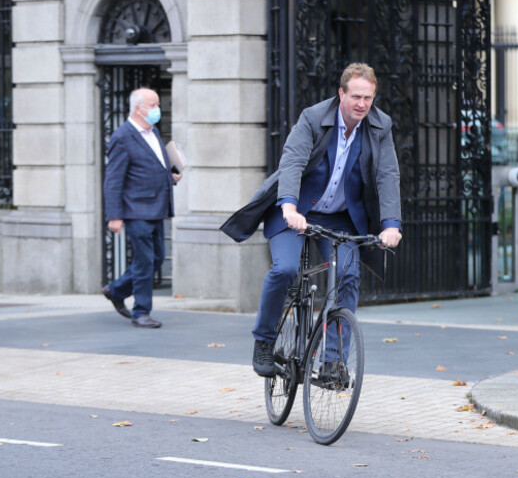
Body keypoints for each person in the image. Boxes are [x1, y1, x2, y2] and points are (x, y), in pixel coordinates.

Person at [221, 63, 402, 376]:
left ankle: (333, 361)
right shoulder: (314, 118)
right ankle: (264, 340)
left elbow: (388, 175)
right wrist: (289, 207)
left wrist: (391, 224)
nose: (362, 104)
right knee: (286, 269)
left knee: (347, 274)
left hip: (340, 217)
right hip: (297, 210)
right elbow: (292, 162)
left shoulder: (379, 126)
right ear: (341, 93)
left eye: (368, 98)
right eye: (356, 96)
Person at [102, 87, 181, 328]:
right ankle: (141, 312)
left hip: (156, 207)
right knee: (146, 260)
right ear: (139, 109)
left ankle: (116, 290)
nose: (158, 110)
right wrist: (114, 216)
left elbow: (153, 165)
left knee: (156, 258)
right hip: (135, 210)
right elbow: (113, 180)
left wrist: (170, 175)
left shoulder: (152, 131)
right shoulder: (122, 137)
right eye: (153, 105)